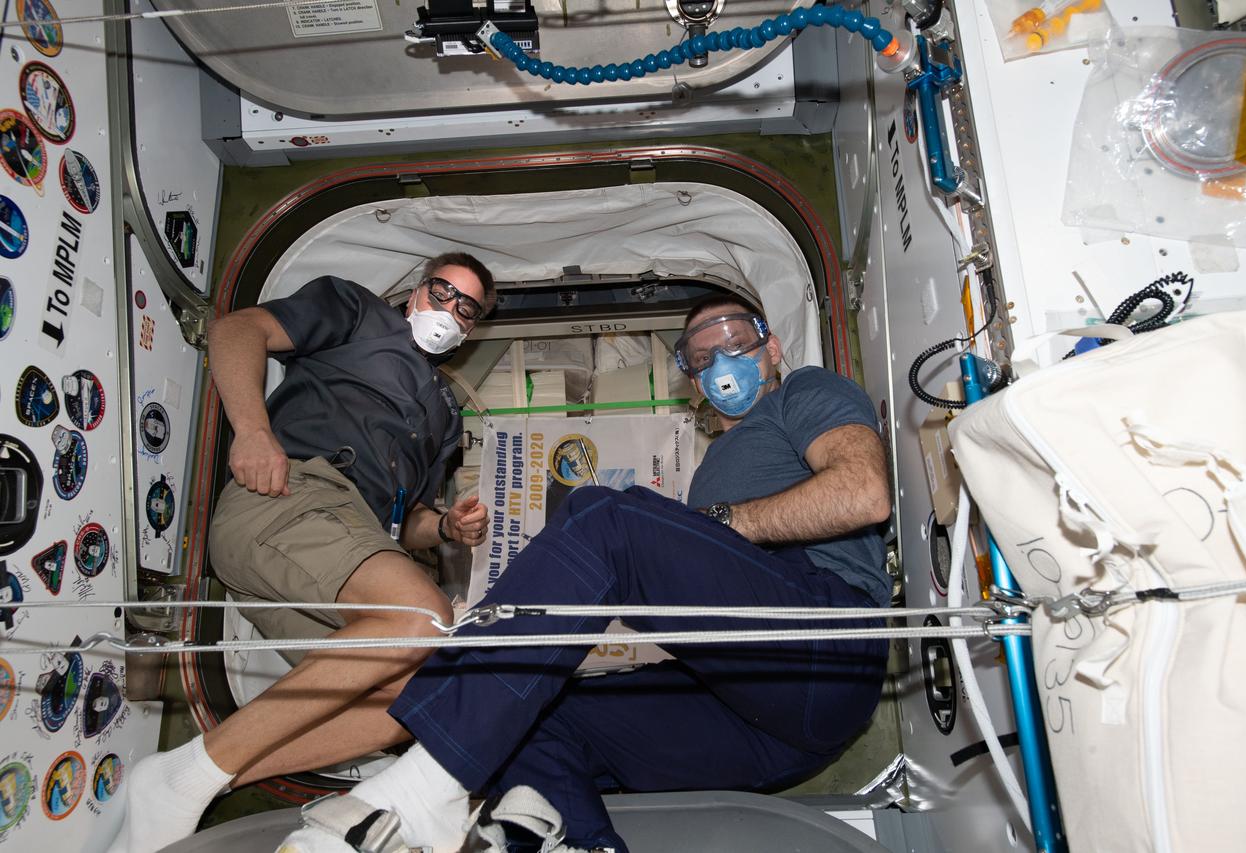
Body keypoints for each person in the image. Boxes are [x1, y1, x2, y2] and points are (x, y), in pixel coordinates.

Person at [280, 292, 892, 853]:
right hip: (759, 721)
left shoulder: (803, 393)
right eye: (700, 357)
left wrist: (717, 524)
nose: (720, 361)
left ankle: (425, 786)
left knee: (605, 515)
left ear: (773, 348)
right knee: (532, 709)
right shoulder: (719, 462)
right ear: (696, 383)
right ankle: (576, 843)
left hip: (824, 641)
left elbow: (864, 493)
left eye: (734, 339)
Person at [109, 252, 499, 853]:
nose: (448, 310)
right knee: (420, 618)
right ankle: (185, 779)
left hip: (339, 548)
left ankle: (194, 779)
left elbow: (409, 520)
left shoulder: (445, 415)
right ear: (418, 289)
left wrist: (446, 526)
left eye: (466, 308)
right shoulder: (359, 312)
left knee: (428, 700)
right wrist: (254, 430)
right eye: (442, 291)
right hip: (289, 499)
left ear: (471, 328)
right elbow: (237, 329)